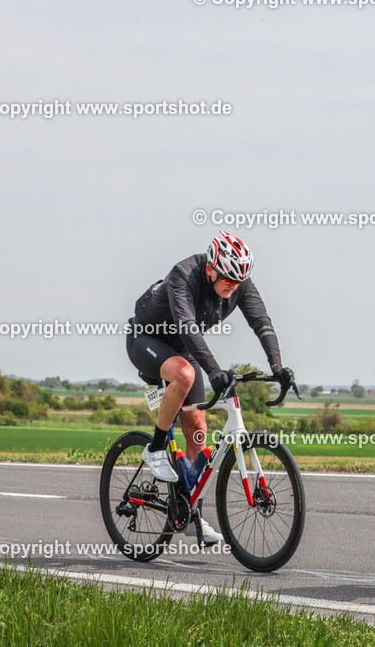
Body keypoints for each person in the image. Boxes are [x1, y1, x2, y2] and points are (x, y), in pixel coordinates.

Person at [126, 230, 295, 544]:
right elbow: (187, 326)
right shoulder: (184, 275)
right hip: (146, 339)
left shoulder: (239, 282)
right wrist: (214, 369)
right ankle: (155, 449)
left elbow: (262, 322)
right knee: (185, 375)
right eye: (228, 280)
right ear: (210, 269)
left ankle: (191, 513)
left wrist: (276, 366)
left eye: (238, 281)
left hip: (182, 350)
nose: (233, 287)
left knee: (198, 430)